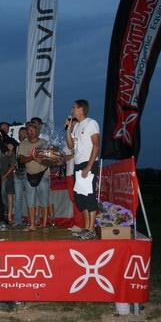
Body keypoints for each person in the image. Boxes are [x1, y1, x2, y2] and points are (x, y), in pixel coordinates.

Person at [66, 99, 100, 240]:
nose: (71, 110)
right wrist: (69, 130)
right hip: (78, 164)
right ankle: (86, 228)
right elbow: (70, 146)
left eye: (73, 107)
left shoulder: (91, 123)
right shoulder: (77, 126)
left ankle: (91, 230)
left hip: (88, 163)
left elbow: (96, 145)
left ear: (80, 109)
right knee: (80, 198)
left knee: (89, 196)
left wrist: (89, 166)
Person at [18, 121, 50, 232]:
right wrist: (32, 157)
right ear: (26, 132)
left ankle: (44, 225)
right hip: (29, 175)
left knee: (44, 201)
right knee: (30, 202)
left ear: (37, 130)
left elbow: (50, 158)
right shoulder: (23, 144)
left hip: (43, 174)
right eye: (29, 130)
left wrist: (42, 160)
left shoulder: (44, 142)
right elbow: (21, 159)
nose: (31, 132)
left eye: (33, 129)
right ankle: (32, 224)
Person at [12, 127, 27, 226]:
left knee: (30, 198)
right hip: (18, 173)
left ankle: (33, 220)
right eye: (19, 134)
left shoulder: (29, 145)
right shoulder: (17, 146)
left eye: (22, 133)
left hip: (28, 173)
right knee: (18, 198)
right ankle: (18, 220)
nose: (20, 135)